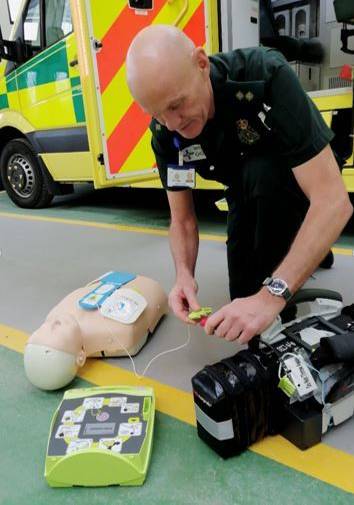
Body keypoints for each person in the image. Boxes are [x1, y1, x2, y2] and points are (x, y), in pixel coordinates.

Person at [126, 25, 353, 344]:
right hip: (241, 187)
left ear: (201, 64)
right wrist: (184, 275)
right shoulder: (166, 133)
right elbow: (183, 220)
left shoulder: (265, 75)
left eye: (177, 105)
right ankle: (310, 248)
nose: (173, 124)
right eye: (159, 115)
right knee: (243, 293)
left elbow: (333, 201)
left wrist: (272, 295)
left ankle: (305, 245)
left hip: (298, 175)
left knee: (264, 302)